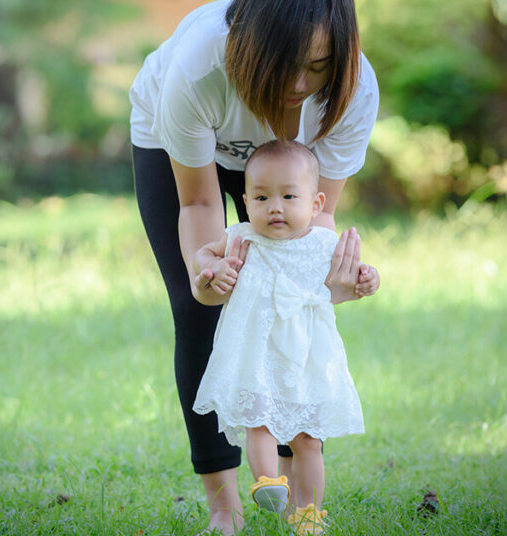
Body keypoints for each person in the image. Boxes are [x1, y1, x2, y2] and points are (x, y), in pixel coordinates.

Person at [129, 0, 380, 533]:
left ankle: (295, 488)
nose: (299, 82)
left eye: (318, 66)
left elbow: (321, 214)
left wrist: (326, 281)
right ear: (250, 45)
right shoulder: (198, 68)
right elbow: (198, 205)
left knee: (289, 311)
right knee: (199, 312)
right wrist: (206, 272)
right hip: (177, 145)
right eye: (286, 62)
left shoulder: (354, 90)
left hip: (286, 173)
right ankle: (226, 507)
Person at [192, 140, 365, 535]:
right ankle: (268, 482)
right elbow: (203, 252)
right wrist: (212, 267)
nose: (275, 207)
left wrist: (366, 278)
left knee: (309, 442)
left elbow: (349, 278)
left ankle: (309, 515)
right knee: (259, 423)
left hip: (306, 357)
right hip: (257, 353)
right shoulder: (241, 237)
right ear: (246, 201)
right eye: (262, 197)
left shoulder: (323, 242)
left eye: (289, 196)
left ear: (316, 203)